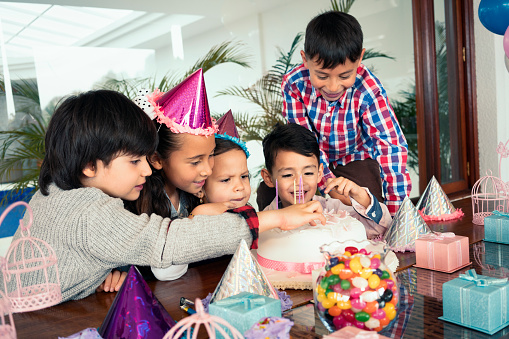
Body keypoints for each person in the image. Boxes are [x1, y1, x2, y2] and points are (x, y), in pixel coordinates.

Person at [13, 89, 325, 303]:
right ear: (89, 165)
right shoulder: (88, 212)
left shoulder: (57, 193)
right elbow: (167, 243)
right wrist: (277, 217)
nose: (147, 171)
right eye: (134, 161)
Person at [279, 10, 411, 216]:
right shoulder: (293, 84)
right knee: (274, 195)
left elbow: (390, 148)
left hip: (354, 159)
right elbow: (304, 141)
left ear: (359, 59)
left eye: (344, 75)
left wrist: (397, 213)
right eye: (322, 75)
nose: (333, 87)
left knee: (369, 201)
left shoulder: (369, 89)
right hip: (310, 162)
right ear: (305, 60)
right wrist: (327, 185)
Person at [260, 123, 391, 239]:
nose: (299, 183)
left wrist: (361, 196)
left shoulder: (334, 211)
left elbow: (381, 230)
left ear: (319, 173)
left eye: (308, 173)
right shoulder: (264, 222)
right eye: (288, 175)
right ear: (268, 178)